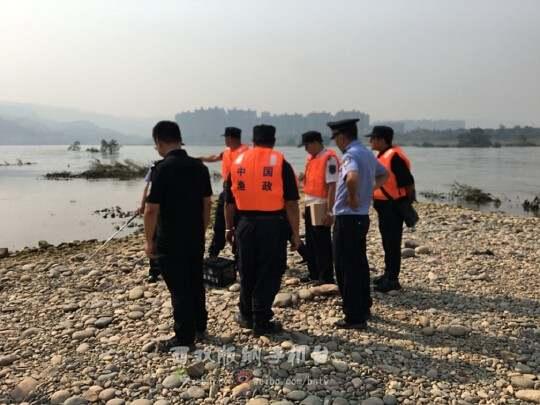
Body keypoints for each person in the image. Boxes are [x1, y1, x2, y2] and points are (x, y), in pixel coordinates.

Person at [224, 124, 301, 336]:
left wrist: (229, 228)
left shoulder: (238, 161)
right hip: (273, 225)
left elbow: (228, 203)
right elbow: (292, 203)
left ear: (253, 140)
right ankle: (261, 319)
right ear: (273, 140)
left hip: (244, 224)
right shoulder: (280, 163)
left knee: (247, 269)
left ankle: (246, 315)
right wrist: (295, 233)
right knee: (270, 270)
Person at [144, 121, 212, 350]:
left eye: (157, 145)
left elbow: (151, 209)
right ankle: (200, 325)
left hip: (170, 238)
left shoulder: (162, 169)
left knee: (179, 287)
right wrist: (202, 229)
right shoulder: (199, 167)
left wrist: (148, 240)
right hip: (194, 235)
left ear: (160, 142)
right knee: (195, 281)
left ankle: (184, 337)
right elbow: (207, 204)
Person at [328, 118, 388, 330]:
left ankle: (353, 316)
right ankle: (363, 307)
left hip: (348, 218)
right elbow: (384, 174)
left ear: (342, 137)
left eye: (335, 138)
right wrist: (368, 190)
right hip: (361, 217)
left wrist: (354, 196)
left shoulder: (350, 155)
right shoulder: (366, 153)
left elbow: (352, 177)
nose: (335, 142)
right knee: (359, 265)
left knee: (346, 267)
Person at [368, 126, 415, 293]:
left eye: (372, 138)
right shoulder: (382, 155)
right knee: (387, 242)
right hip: (384, 205)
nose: (370, 141)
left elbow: (408, 182)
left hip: (393, 206)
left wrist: (406, 204)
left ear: (381, 140)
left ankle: (393, 279)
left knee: (392, 243)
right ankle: (388, 274)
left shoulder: (394, 156)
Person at [198, 127, 249, 258]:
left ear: (231, 138)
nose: (225, 140)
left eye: (226, 138)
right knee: (219, 223)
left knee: (238, 225)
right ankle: (213, 252)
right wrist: (198, 159)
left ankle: (239, 254)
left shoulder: (246, 152)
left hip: (240, 192)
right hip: (226, 188)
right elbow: (215, 157)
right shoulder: (227, 151)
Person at [298, 131, 339, 285]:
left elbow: (332, 186)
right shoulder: (311, 158)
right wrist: (304, 205)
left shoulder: (329, 158)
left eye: (307, 145)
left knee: (322, 241)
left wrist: (330, 210)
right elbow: (309, 184)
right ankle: (313, 273)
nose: (306, 149)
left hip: (322, 204)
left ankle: (326, 276)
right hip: (310, 202)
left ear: (315, 142)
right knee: (311, 240)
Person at [139, 163, 161, 283]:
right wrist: (143, 205)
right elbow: (147, 187)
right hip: (156, 205)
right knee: (154, 236)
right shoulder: (154, 168)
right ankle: (154, 271)